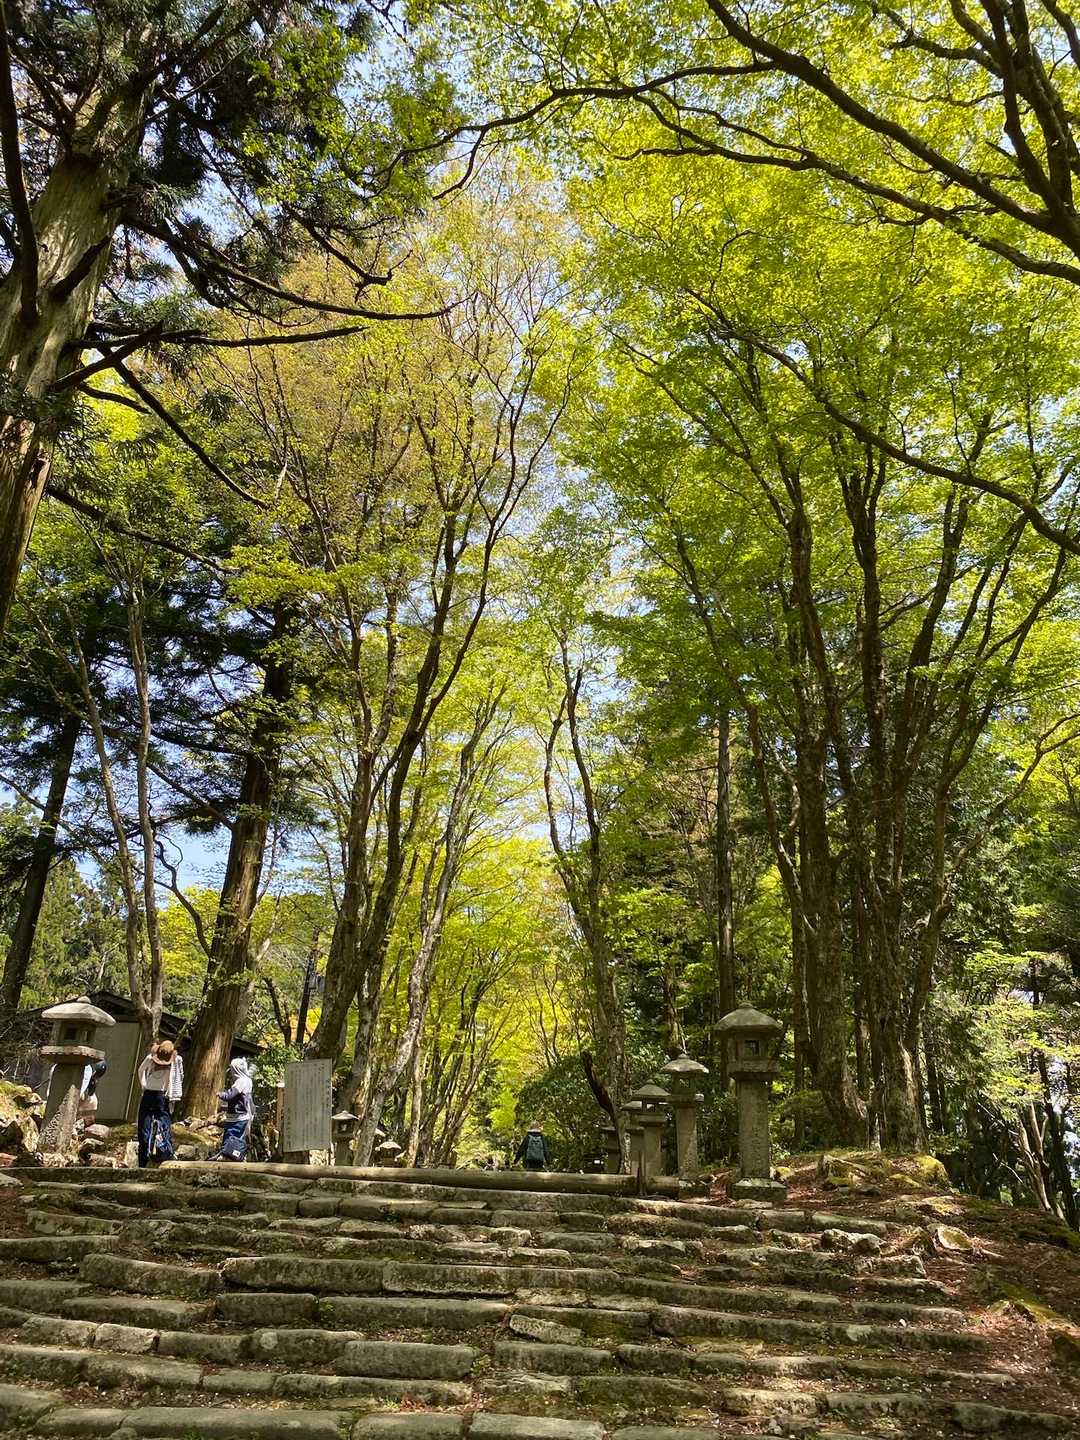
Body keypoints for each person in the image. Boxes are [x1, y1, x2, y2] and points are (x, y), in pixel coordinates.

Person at [137, 1040, 182, 1167]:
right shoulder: (151, 1058)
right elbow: (141, 1070)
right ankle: (150, 1155)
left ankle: (161, 1153)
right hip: (155, 1094)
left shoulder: (175, 1061)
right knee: (148, 1126)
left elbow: (141, 1071)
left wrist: (144, 1085)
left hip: (158, 1095)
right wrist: (143, 1085)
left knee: (161, 1125)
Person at [212, 1057, 254, 1161]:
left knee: (230, 1138)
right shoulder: (248, 1080)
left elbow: (230, 1095)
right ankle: (239, 1157)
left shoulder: (240, 1081)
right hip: (244, 1116)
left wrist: (220, 1094)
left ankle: (227, 1158)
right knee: (239, 1139)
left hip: (237, 1117)